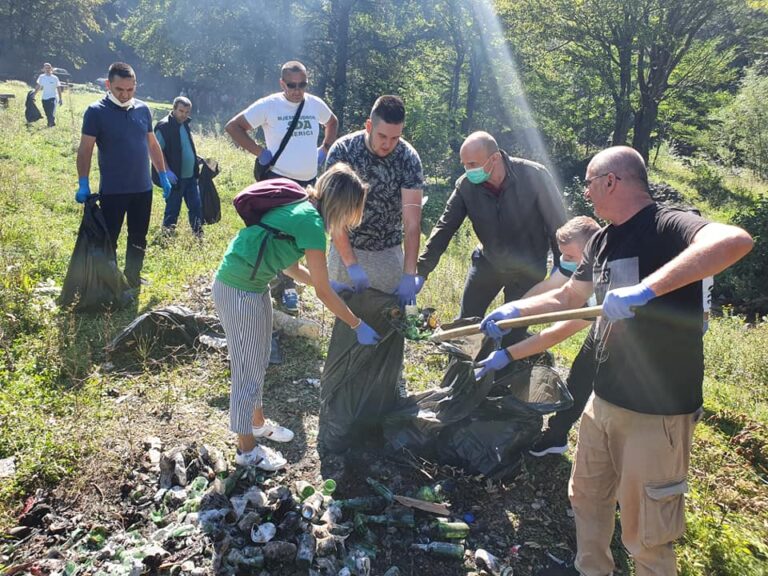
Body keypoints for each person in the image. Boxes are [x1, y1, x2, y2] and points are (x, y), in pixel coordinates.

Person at [479, 146, 753, 576]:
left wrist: (646, 289)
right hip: (603, 401)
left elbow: (734, 240)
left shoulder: (667, 224)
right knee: (587, 500)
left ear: (611, 181)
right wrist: (517, 311)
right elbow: (570, 296)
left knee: (648, 533)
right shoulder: (603, 240)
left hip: (656, 409)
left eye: (589, 184)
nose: (587, 194)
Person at [212, 163, 380, 469]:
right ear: (342, 205)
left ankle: (257, 422)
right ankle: (246, 450)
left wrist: (325, 281)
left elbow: (288, 265)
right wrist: (357, 324)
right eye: (352, 211)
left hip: (252, 286)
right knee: (246, 369)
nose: (349, 221)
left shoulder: (302, 207)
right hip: (238, 290)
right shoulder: (312, 224)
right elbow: (324, 295)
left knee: (259, 357)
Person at [417, 131, 567, 345]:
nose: (468, 171)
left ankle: (504, 371)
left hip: (528, 269)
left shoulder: (534, 176)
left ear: (495, 158)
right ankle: (463, 373)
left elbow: (558, 225)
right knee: (465, 326)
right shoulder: (466, 186)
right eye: (464, 165)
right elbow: (444, 228)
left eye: (472, 164)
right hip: (488, 262)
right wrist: (421, 271)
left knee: (512, 332)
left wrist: (562, 268)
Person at [475, 216, 600, 456]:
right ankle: (557, 437)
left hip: (632, 336)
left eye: (571, 257)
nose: (565, 261)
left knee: (587, 374)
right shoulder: (578, 261)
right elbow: (551, 287)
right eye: (563, 255)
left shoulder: (600, 284)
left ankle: (558, 436)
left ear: (591, 250)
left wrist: (507, 354)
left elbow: (554, 334)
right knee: (581, 372)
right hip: (605, 320)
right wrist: (513, 313)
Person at [226, 60, 338, 315]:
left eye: (302, 84)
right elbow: (234, 127)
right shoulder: (270, 105)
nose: (297, 90)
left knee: (301, 235)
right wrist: (259, 152)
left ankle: (288, 283)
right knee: (280, 235)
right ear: (282, 83)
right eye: (292, 85)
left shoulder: (314, 104)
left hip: (307, 183)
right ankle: (279, 286)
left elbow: (332, 121)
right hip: (278, 182)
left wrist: (326, 147)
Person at [76, 62, 173, 289]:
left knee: (138, 236)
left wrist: (163, 174)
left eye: (130, 90)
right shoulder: (96, 112)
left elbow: (152, 143)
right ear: (109, 84)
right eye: (119, 89)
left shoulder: (142, 109)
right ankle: (108, 281)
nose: (124, 94)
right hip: (113, 190)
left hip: (142, 189)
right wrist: (83, 183)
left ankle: (133, 276)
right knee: (110, 238)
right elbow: (85, 149)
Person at [326, 95, 424, 306]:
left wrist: (409, 273)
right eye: (382, 136)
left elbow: (412, 222)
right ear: (369, 125)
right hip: (346, 246)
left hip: (387, 251)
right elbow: (333, 215)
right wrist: (351, 264)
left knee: (391, 319)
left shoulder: (408, 158)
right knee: (347, 322)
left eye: (395, 138)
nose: (388, 144)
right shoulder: (343, 151)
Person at [153, 96, 203, 238]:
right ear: (174, 109)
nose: (184, 115)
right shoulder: (164, 126)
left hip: (191, 176)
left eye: (187, 112)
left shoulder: (185, 124)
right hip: (175, 177)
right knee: (173, 210)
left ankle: (198, 236)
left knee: (196, 207)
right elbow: (158, 151)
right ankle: (167, 237)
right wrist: (167, 171)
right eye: (181, 111)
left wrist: (195, 159)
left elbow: (184, 146)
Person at [33, 63, 63, 127]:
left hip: (53, 97)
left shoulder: (55, 78)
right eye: (46, 68)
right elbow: (38, 86)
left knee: (51, 112)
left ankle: (50, 124)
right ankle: (51, 122)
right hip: (44, 97)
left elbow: (59, 88)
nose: (47, 69)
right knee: (47, 112)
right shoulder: (41, 77)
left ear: (51, 68)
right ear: (43, 69)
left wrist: (60, 99)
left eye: (49, 68)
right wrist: (34, 95)